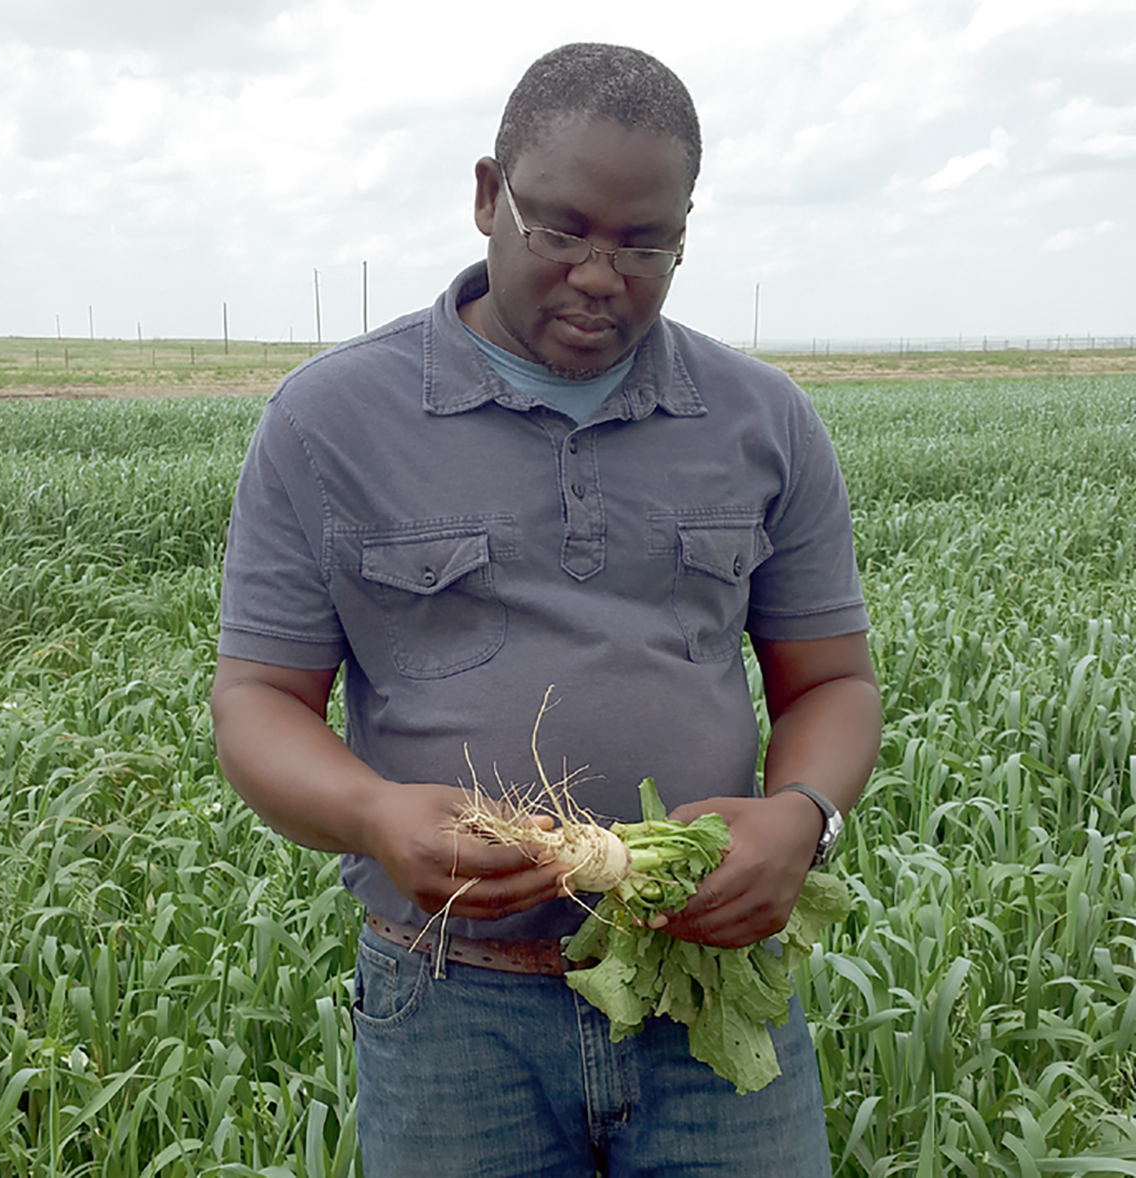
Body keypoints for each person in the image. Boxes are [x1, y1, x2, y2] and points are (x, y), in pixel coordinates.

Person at [211, 41, 880, 1177]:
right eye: (559, 228)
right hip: (452, 1004)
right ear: (488, 197)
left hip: (708, 987)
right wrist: (375, 813)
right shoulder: (331, 419)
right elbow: (257, 701)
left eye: (644, 243)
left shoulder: (764, 418)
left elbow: (832, 681)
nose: (598, 274)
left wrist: (803, 812)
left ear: (683, 234)